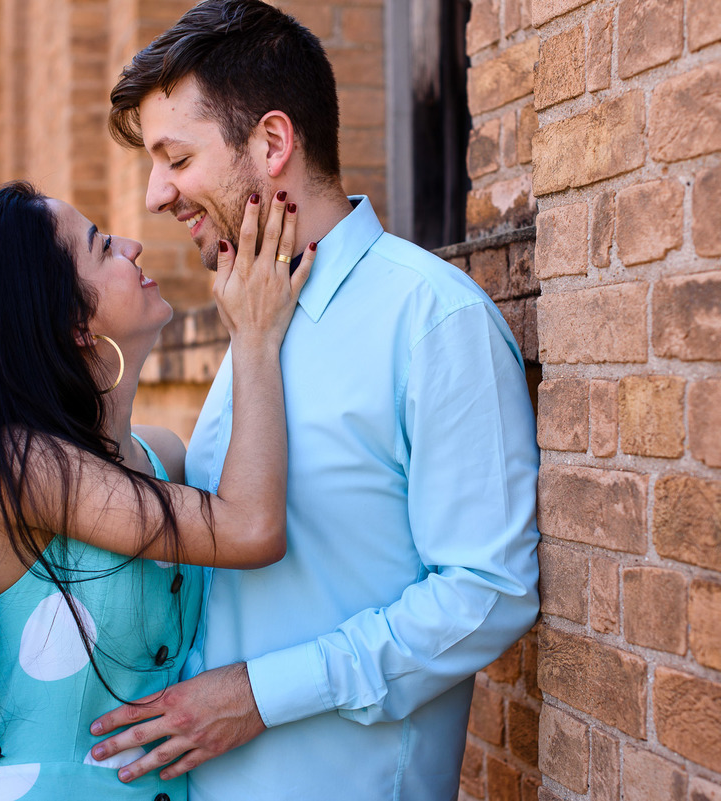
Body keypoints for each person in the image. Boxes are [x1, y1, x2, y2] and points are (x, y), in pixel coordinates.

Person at [88, 2, 541, 798]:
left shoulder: (432, 319)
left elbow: (488, 592)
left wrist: (261, 694)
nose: (158, 194)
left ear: (271, 143)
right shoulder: (253, 316)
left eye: (176, 157)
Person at [0, 181, 312, 800]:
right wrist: (254, 336)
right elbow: (251, 528)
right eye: (103, 246)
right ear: (72, 320)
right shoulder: (19, 467)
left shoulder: (161, 454)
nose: (133, 245)